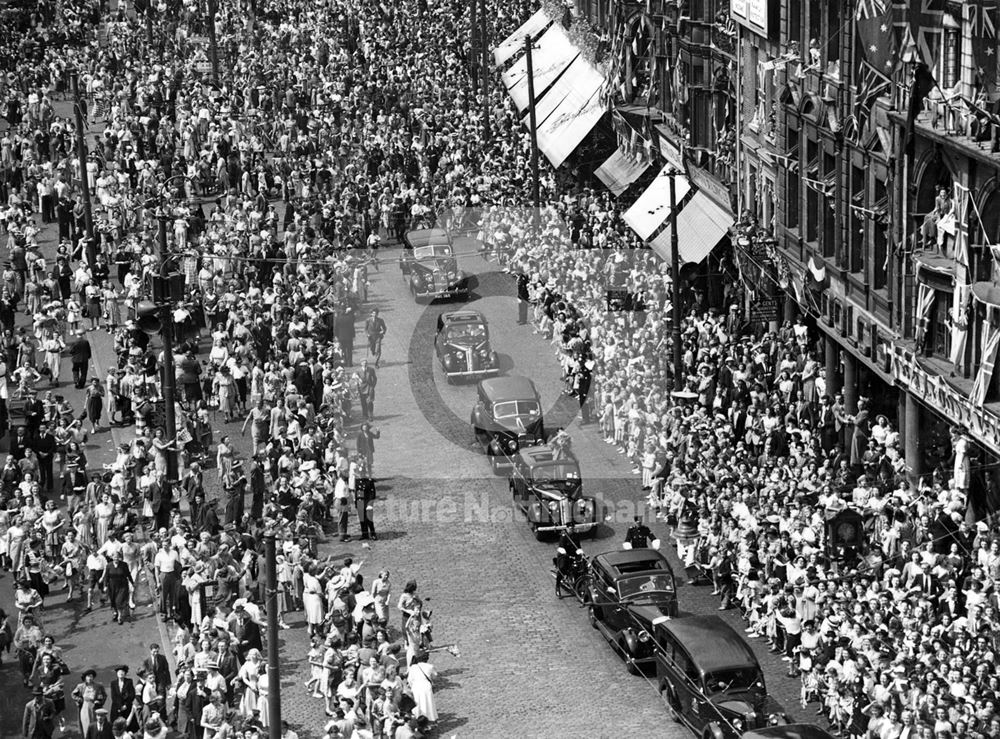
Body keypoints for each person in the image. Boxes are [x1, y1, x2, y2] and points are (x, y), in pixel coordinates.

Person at [72, 669, 108, 737]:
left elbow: (104, 695)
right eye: (88, 676)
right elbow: (73, 694)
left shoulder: (98, 686)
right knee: (86, 725)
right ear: (85, 677)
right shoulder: (80, 686)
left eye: (91, 676)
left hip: (95, 708)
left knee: (96, 725)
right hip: (84, 708)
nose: (90, 678)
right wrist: (80, 700)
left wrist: (100, 702)